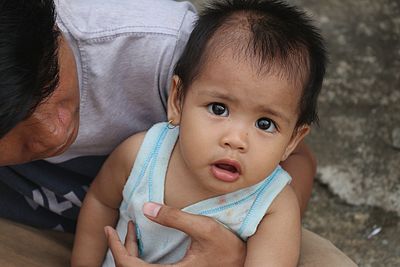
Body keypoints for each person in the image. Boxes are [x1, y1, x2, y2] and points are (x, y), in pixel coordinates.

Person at [0, 0, 357, 266]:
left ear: (293, 138)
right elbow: (102, 202)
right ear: (178, 100)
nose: (236, 139)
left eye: (265, 124)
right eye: (219, 110)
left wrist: (236, 256)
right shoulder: (142, 153)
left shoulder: (272, 205)